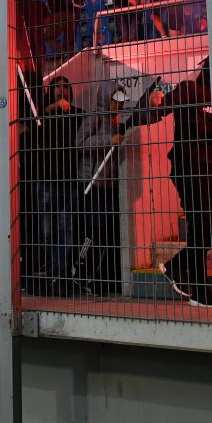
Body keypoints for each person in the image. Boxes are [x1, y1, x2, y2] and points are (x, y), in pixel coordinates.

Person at [137, 57, 212, 307]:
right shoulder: (189, 89)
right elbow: (162, 108)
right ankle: (199, 291)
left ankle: (176, 266)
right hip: (189, 170)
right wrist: (154, 101)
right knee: (201, 227)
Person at [26, 75, 85, 295]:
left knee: (65, 231)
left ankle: (60, 278)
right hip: (46, 180)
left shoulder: (78, 114)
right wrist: (49, 110)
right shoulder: (42, 115)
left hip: (70, 181)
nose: (61, 91)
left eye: (65, 87)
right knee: (47, 232)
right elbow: (30, 132)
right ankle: (49, 275)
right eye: (57, 87)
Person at [73, 84, 129, 295]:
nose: (119, 105)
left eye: (121, 102)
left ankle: (98, 276)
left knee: (105, 231)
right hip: (91, 183)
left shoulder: (116, 123)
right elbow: (80, 143)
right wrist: (109, 140)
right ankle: (81, 271)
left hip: (107, 186)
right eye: (115, 100)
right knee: (93, 231)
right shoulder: (94, 118)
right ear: (106, 98)